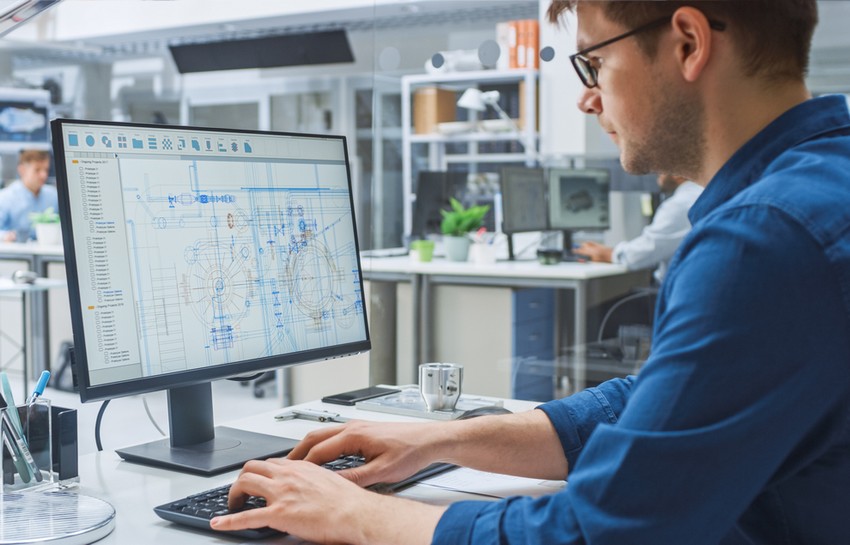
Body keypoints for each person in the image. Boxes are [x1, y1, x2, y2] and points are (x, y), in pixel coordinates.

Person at [212, 1, 850, 543]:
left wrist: (363, 514)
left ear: (687, 42)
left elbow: (607, 530)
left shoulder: (765, 240)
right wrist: (439, 442)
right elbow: (668, 403)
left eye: (595, 61)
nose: (586, 95)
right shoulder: (822, 183)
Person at [575, 173, 702, 282]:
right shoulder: (701, 194)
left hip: (677, 291)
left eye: (663, 167)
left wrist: (609, 254)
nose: (657, 172)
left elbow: (644, 252)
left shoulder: (679, 204)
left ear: (677, 174)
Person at [0, 149, 58, 242]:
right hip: (19, 255)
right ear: (22, 170)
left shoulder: (53, 196)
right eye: (37, 170)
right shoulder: (6, 197)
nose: (44, 175)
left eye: (46, 170)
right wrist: (5, 236)